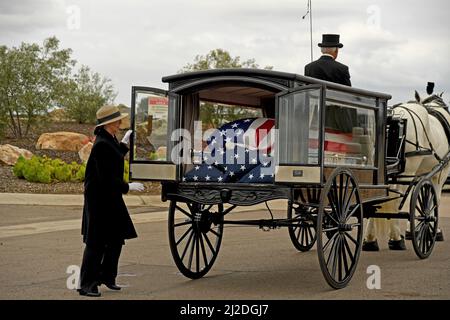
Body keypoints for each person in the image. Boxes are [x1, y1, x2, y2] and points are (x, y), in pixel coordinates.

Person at [78, 105, 145, 297]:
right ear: (109, 123)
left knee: (116, 239)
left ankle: (107, 276)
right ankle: (86, 284)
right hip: (99, 200)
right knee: (96, 243)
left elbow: (113, 157)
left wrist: (123, 145)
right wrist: (127, 187)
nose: (120, 123)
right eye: (117, 120)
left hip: (109, 198)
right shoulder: (101, 144)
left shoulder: (109, 140)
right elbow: (106, 177)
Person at [305, 34, 355, 133]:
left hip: (314, 113)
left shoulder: (309, 67)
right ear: (336, 51)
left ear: (321, 50)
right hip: (335, 116)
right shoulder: (342, 69)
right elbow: (348, 93)